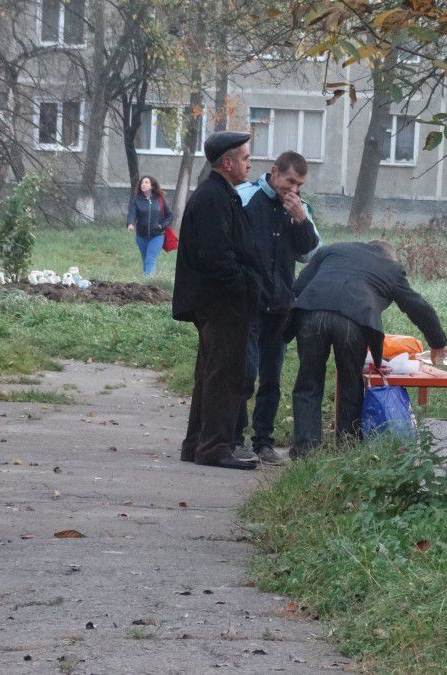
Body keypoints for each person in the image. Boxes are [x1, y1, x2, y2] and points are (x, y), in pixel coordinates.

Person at [287, 240, 447, 459]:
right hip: (353, 320)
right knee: (350, 383)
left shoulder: (332, 250)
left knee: (308, 382)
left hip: (311, 314)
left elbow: (299, 286)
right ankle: (347, 449)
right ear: (389, 256)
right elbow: (417, 306)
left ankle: (305, 451)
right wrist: (438, 343)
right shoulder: (390, 268)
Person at [172, 131, 263, 470]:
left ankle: (197, 442)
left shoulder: (221, 194)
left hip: (220, 301)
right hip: (223, 302)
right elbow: (218, 256)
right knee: (225, 376)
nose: (249, 163)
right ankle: (215, 447)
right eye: (244, 158)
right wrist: (244, 284)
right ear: (227, 163)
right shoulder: (213, 198)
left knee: (211, 373)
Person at [232, 151, 321, 465]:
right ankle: (235, 438)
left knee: (271, 378)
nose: (293, 190)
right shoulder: (245, 197)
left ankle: (263, 441)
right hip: (248, 302)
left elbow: (309, 254)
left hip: (281, 304)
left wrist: (300, 219)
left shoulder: (301, 209)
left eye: (299, 185)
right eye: (289, 181)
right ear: (273, 172)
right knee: (245, 372)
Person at [127, 175, 173, 277]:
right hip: (141, 236)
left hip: (157, 236)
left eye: (146, 182)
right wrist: (130, 223)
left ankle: (147, 281)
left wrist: (162, 226)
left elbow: (170, 215)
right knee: (145, 260)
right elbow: (132, 213)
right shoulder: (137, 200)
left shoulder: (160, 199)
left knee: (150, 258)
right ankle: (149, 285)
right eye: (142, 183)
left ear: (152, 186)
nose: (143, 184)